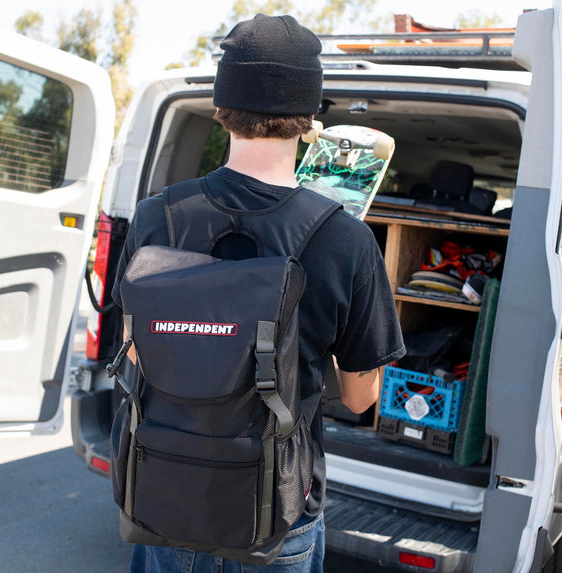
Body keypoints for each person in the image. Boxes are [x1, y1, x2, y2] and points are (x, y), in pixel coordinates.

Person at [111, 13, 405, 572]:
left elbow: (136, 351)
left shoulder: (156, 217)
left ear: (221, 106)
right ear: (309, 117)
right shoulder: (344, 238)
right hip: (276, 513)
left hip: (165, 494)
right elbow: (361, 398)